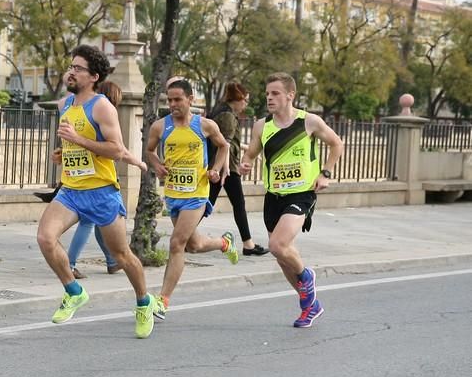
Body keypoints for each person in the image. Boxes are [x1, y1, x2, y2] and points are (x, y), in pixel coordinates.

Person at [36, 44, 160, 339]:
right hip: (72, 191)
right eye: (71, 66)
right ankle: (74, 290)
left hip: (101, 192)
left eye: (77, 68)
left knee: (121, 255)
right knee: (45, 237)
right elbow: (76, 146)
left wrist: (77, 139)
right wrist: (63, 153)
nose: (71, 72)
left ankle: (144, 301)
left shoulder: (102, 106)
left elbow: (115, 149)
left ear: (93, 76)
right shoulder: (67, 104)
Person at [239, 72, 344, 328]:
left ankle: (307, 276)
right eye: (267, 94)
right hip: (273, 196)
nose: (269, 98)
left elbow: (336, 143)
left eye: (275, 93)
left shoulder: (309, 122)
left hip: (301, 194)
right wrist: (247, 163)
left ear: (290, 95)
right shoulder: (262, 126)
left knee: (277, 245)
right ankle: (310, 305)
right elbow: (252, 152)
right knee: (282, 255)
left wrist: (326, 172)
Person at [146, 79, 239, 322]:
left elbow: (223, 146)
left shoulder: (205, 125)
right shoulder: (160, 127)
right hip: (174, 194)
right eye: (169, 100)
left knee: (176, 244)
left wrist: (216, 169)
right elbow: (149, 151)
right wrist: (157, 165)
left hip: (197, 194)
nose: (173, 104)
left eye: (178, 99)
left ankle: (162, 300)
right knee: (193, 245)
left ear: (190, 99)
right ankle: (224, 243)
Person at [67, 80, 146, 278]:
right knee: (88, 222)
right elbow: (120, 152)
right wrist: (139, 163)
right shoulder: (102, 114)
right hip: (95, 180)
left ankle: (112, 261)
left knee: (103, 223)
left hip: (85, 177)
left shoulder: (92, 114)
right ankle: (69, 263)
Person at [207, 81, 268, 256]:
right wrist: (224, 169)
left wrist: (248, 149)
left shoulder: (221, 111)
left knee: (208, 203)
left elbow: (228, 142)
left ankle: (186, 236)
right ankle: (248, 245)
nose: (246, 104)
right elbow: (224, 144)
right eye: (246, 100)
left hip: (220, 165)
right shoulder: (227, 115)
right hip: (224, 167)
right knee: (233, 204)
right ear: (238, 99)